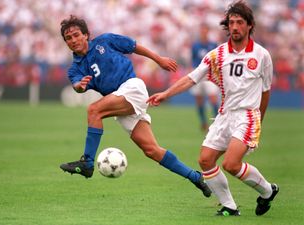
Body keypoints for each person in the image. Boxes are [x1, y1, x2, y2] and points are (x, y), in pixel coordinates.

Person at [147, 1, 278, 216]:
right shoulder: (217, 55)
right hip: (225, 114)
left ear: (249, 25)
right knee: (205, 160)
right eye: (231, 22)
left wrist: (258, 122)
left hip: (248, 115)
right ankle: (230, 206)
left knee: (231, 164)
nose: (235, 27)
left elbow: (265, 91)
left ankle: (266, 191)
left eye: (240, 22)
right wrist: (166, 93)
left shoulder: (262, 55)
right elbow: (191, 78)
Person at [59, 15, 211, 198]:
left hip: (132, 88)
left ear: (86, 35)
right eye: (68, 38)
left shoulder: (105, 41)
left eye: (76, 35)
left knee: (94, 110)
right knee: (151, 150)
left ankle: (88, 163)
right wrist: (79, 87)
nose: (73, 40)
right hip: (119, 101)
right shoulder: (75, 68)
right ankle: (195, 177)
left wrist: (158, 59)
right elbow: (77, 85)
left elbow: (134, 46)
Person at [189, 23, 219, 131]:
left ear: (208, 31)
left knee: (213, 97)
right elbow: (192, 60)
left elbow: (217, 60)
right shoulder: (195, 45)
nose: (203, 32)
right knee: (199, 99)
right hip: (198, 74)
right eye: (202, 30)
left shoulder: (213, 45)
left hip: (209, 75)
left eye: (205, 30)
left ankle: (217, 122)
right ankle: (203, 122)